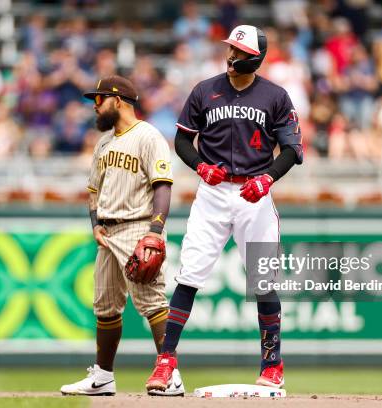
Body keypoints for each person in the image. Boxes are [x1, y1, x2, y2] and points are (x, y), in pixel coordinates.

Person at [146, 24, 303, 393]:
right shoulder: (206, 90)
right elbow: (183, 140)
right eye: (230, 49)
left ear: (255, 58)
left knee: (263, 280)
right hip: (213, 195)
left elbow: (294, 149)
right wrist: (200, 165)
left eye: (238, 52)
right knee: (189, 276)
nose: (230, 56)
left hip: (255, 195)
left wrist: (268, 178)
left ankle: (272, 364)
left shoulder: (275, 96)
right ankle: (166, 362)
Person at [60, 75, 183, 397]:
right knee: (105, 306)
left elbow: (163, 185)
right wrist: (95, 224)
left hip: (139, 226)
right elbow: (93, 190)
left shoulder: (148, 136)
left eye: (100, 99)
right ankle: (102, 377)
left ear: (119, 101)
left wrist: (155, 231)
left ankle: (171, 375)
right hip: (108, 231)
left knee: (152, 302)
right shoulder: (103, 143)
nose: (95, 105)